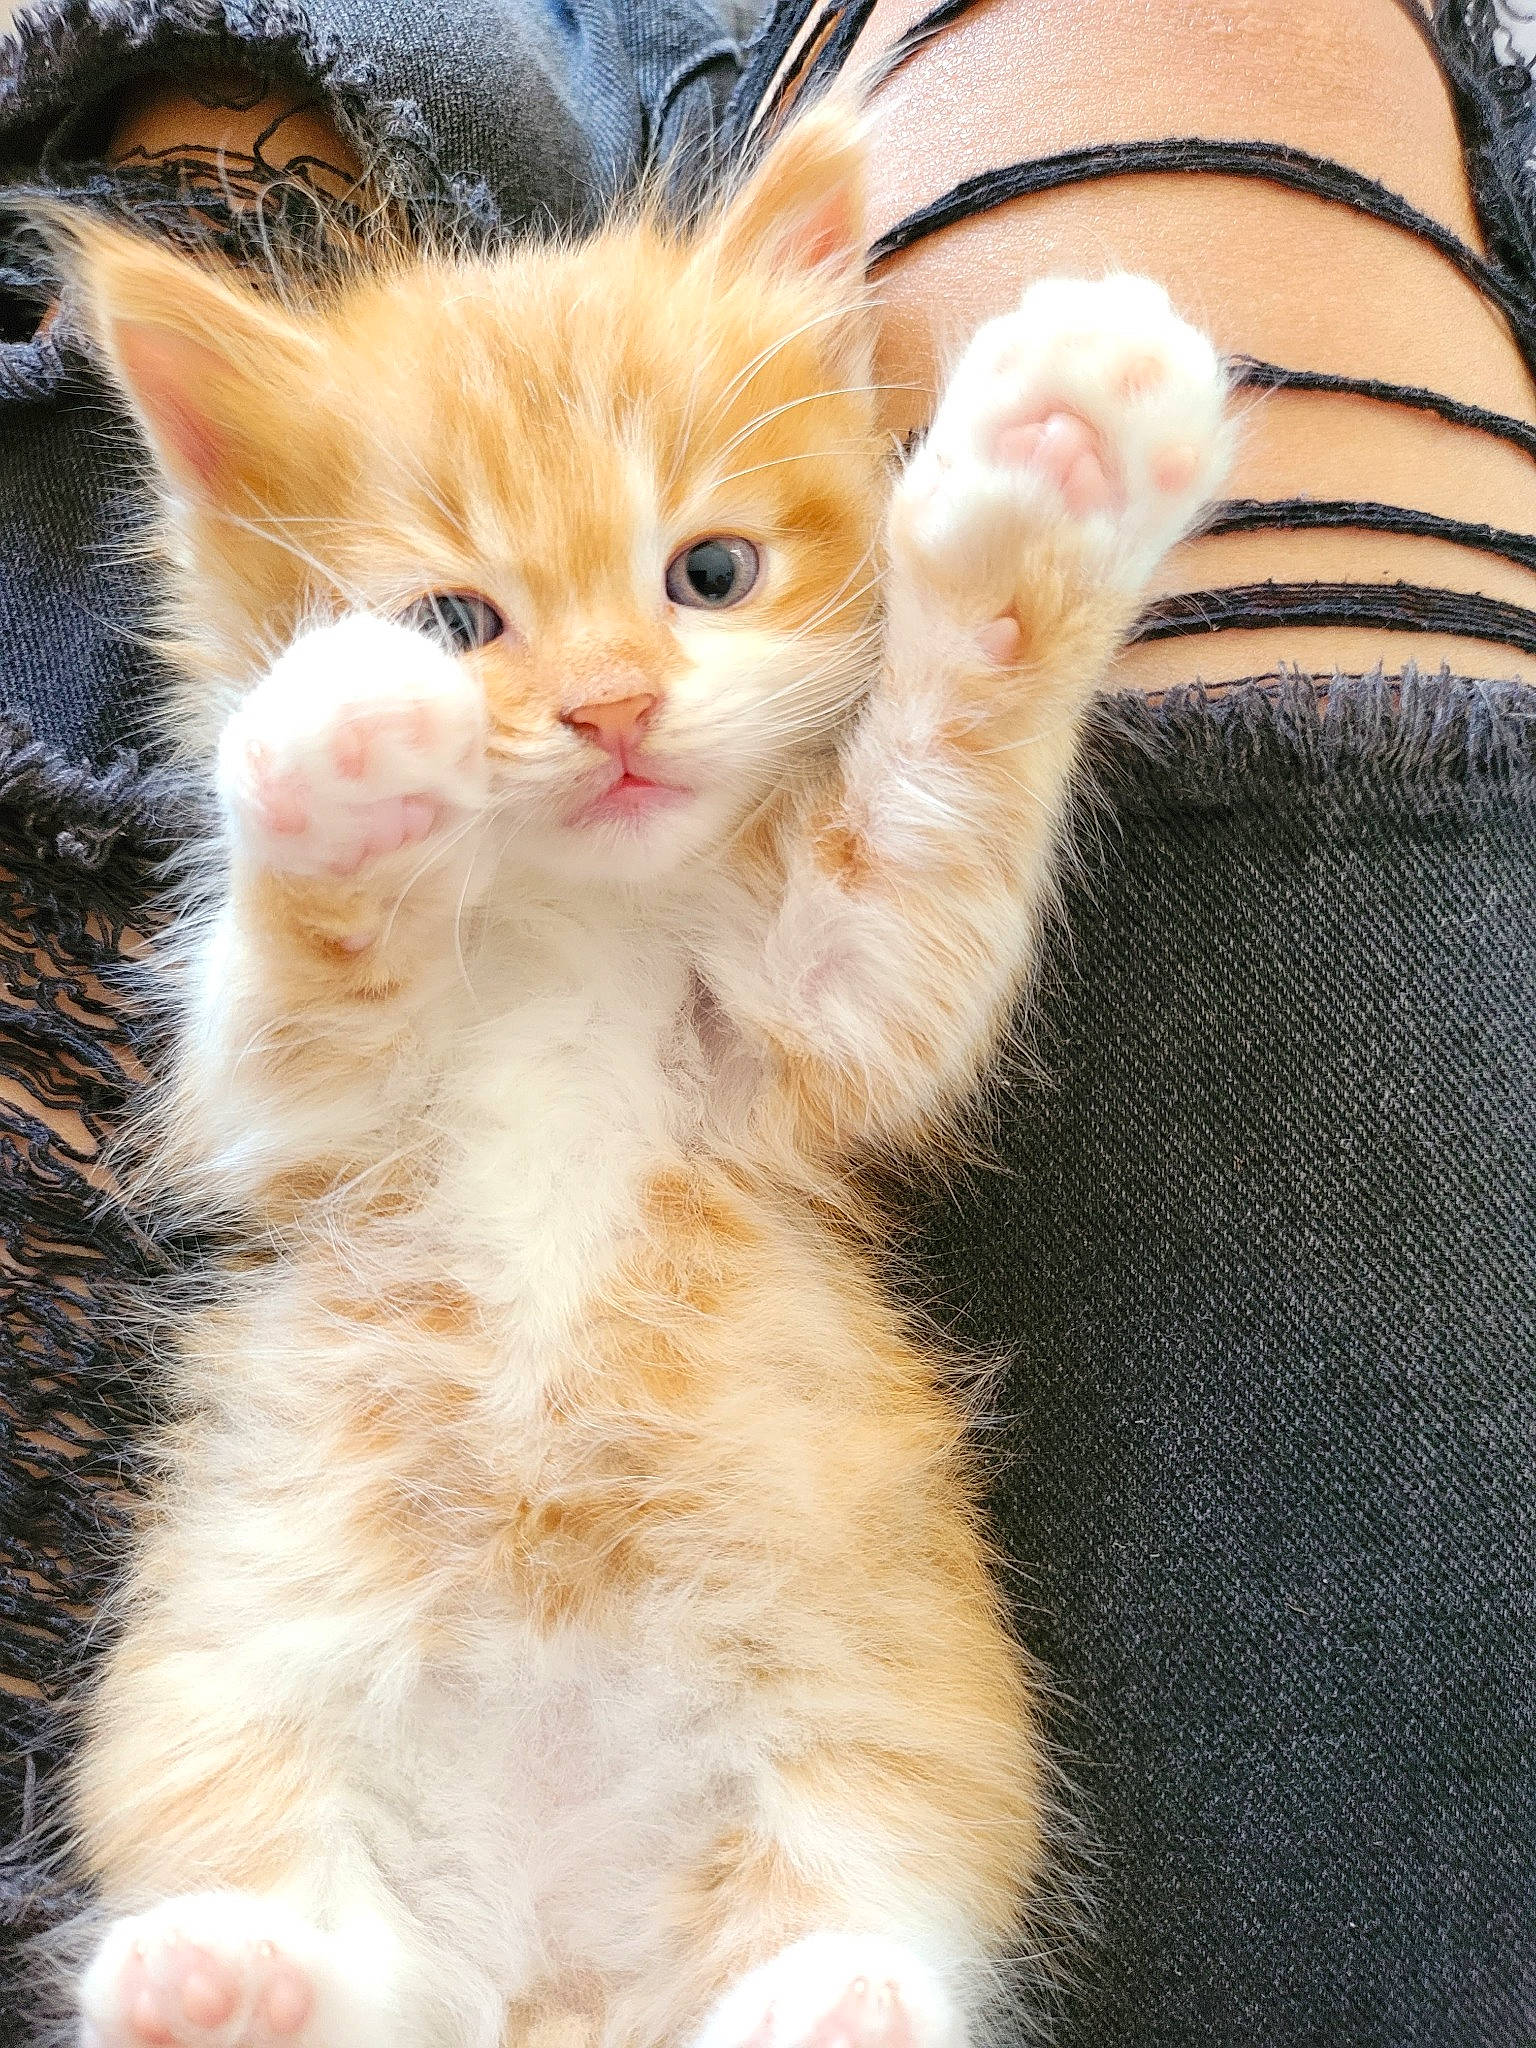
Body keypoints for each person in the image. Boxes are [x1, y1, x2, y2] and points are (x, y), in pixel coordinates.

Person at [0, 1, 1531, 2041]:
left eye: (707, 571)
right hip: (369, 1611)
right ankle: (344, 1978)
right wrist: (335, 877)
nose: (616, 690)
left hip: (751, 1603)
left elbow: (862, 1010)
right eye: (466, 618)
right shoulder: (372, 861)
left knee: (876, 1742)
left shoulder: (738, 899)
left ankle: (760, 1963)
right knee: (245, 1715)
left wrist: (980, 669)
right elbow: (280, 1119)